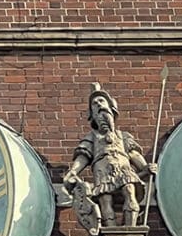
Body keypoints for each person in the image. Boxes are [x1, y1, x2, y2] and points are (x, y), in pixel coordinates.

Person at [64, 86, 153, 228]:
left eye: (101, 101)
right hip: (102, 171)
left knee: (129, 191)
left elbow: (134, 154)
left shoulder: (123, 136)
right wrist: (73, 171)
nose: (98, 104)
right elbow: (83, 156)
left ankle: (131, 229)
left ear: (111, 109)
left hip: (123, 169)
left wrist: (145, 167)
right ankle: (111, 231)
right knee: (105, 200)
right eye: (94, 104)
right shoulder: (92, 137)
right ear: (92, 114)